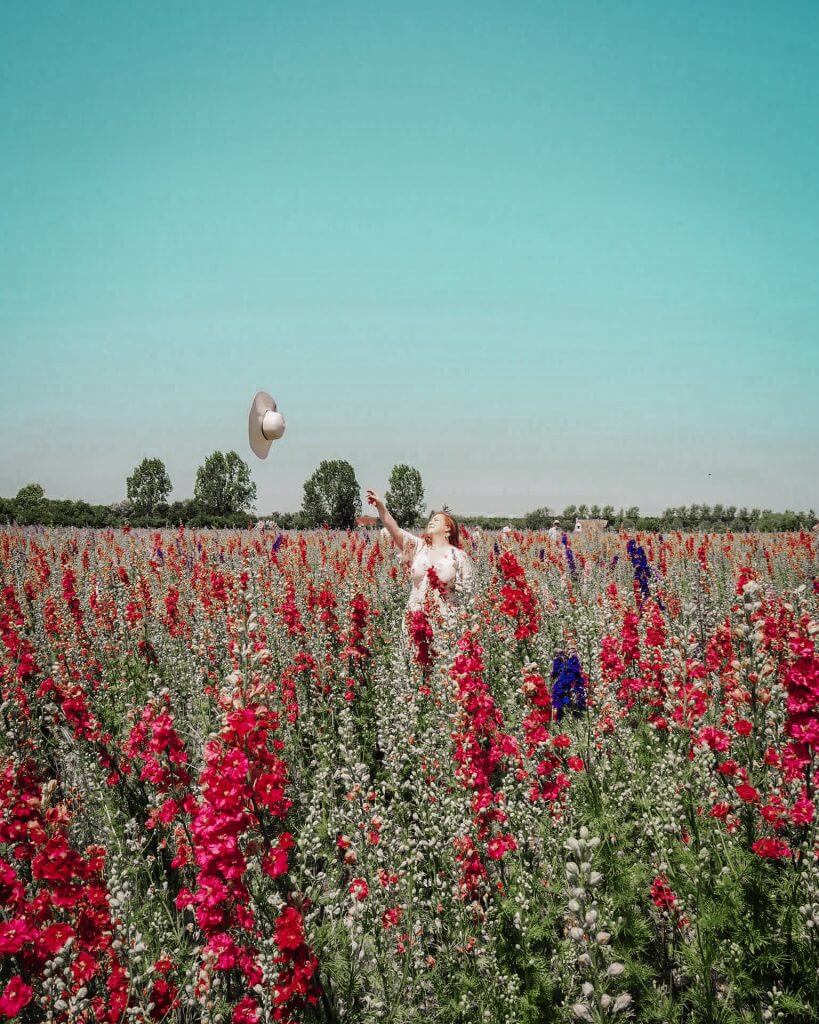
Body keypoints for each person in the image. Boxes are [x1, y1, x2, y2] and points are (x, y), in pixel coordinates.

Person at [366, 489, 475, 633]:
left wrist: (468, 626)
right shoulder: (419, 547)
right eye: (431, 520)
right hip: (415, 621)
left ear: (448, 529)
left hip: (445, 624)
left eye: (436, 520)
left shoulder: (458, 556)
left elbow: (469, 593)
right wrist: (381, 506)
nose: (431, 522)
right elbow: (395, 530)